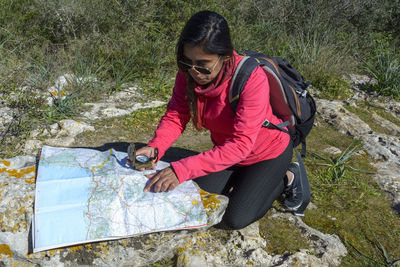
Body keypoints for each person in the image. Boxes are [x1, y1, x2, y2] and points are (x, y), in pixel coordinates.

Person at [134, 10, 305, 230]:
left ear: (224, 57)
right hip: (229, 154)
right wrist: (155, 147)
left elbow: (241, 144)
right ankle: (243, 179)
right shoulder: (186, 73)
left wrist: (181, 169)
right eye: (187, 62)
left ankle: (288, 174)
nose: (194, 71)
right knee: (194, 202)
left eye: (203, 65)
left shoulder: (251, 78)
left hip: (267, 153)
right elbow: (178, 114)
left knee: (233, 218)